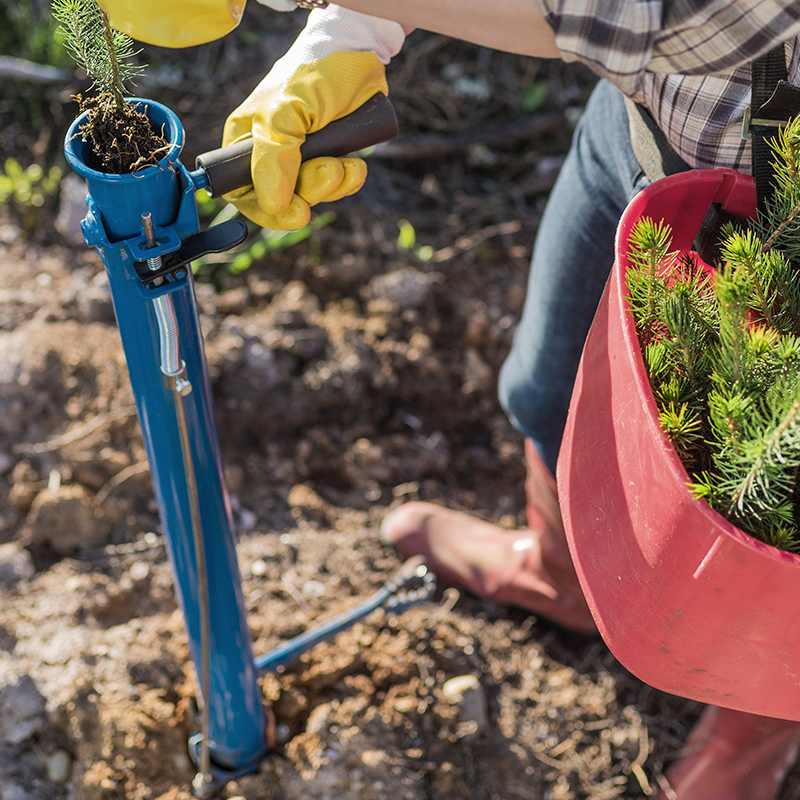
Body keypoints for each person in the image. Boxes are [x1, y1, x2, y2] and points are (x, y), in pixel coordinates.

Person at [98, 0, 800, 797]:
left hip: (784, 213)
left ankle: (761, 718)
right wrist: (352, 32)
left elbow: (626, 10)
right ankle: (559, 575)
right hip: (649, 123)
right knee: (547, 388)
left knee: (771, 524)